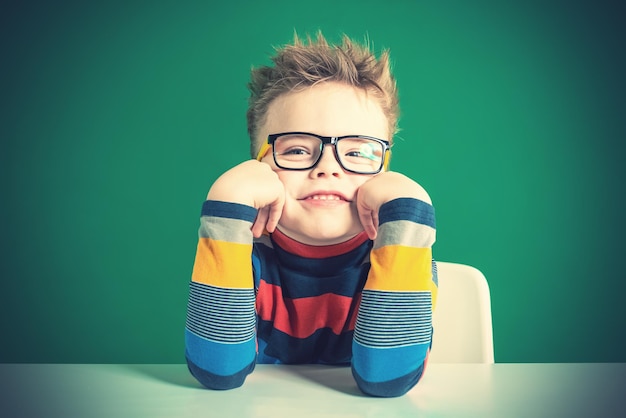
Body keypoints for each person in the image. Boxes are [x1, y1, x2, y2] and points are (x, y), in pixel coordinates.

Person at [184, 32, 437, 398]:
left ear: (385, 172)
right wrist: (226, 202)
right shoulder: (240, 250)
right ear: (256, 167)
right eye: (299, 150)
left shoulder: (402, 252)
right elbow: (217, 371)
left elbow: (387, 380)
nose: (328, 168)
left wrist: (410, 208)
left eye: (358, 153)